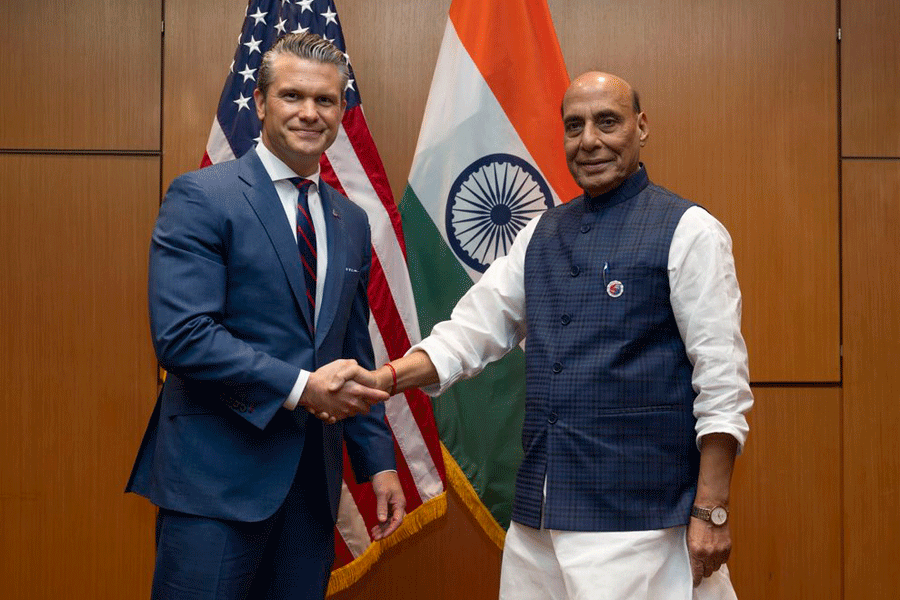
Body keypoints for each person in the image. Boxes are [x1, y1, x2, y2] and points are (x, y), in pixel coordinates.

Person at [340, 72, 753, 599]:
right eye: (574, 126)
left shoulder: (690, 230)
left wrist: (711, 510)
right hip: (537, 523)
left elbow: (722, 385)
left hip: (639, 523)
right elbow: (470, 332)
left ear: (641, 127)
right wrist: (386, 377)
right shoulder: (539, 233)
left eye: (608, 122)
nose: (589, 141)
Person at [126, 32, 405, 600]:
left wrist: (378, 463)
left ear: (342, 110)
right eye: (292, 96)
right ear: (259, 103)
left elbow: (351, 351)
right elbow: (183, 336)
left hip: (310, 491)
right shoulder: (203, 197)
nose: (309, 112)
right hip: (214, 486)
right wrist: (303, 387)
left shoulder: (350, 220)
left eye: (325, 100)